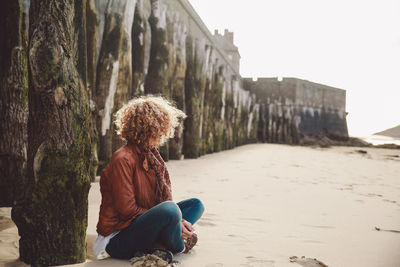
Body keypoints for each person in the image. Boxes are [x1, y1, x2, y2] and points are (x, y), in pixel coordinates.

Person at [93, 96, 204, 260]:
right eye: (159, 128)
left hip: (144, 226)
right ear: (148, 129)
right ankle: (180, 246)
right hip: (120, 238)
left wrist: (176, 221)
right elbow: (127, 210)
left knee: (195, 205)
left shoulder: (152, 156)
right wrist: (175, 220)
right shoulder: (122, 159)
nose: (162, 135)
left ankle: (163, 240)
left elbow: (163, 202)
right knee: (171, 210)